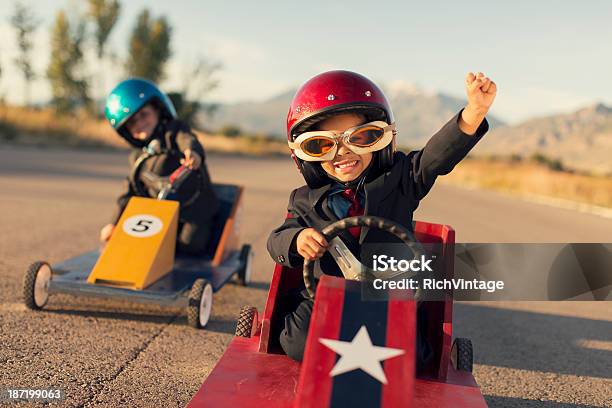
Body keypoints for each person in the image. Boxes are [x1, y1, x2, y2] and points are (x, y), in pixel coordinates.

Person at [267, 70, 496, 364]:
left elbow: (435, 158)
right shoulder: (303, 200)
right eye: (322, 145)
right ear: (304, 155)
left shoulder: (400, 179)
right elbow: (276, 239)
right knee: (295, 343)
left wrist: (473, 113)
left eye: (361, 138)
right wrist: (297, 239)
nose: (342, 153)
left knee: (412, 358)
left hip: (389, 300)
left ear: (382, 138)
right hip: (325, 299)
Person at [99, 78, 219, 254]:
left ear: (158, 109)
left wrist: (192, 152)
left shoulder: (174, 132)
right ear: (126, 131)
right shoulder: (138, 157)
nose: (140, 123)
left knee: (190, 244)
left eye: (144, 115)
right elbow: (128, 191)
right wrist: (114, 223)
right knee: (136, 241)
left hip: (192, 210)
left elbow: (187, 139)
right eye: (132, 122)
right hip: (157, 214)